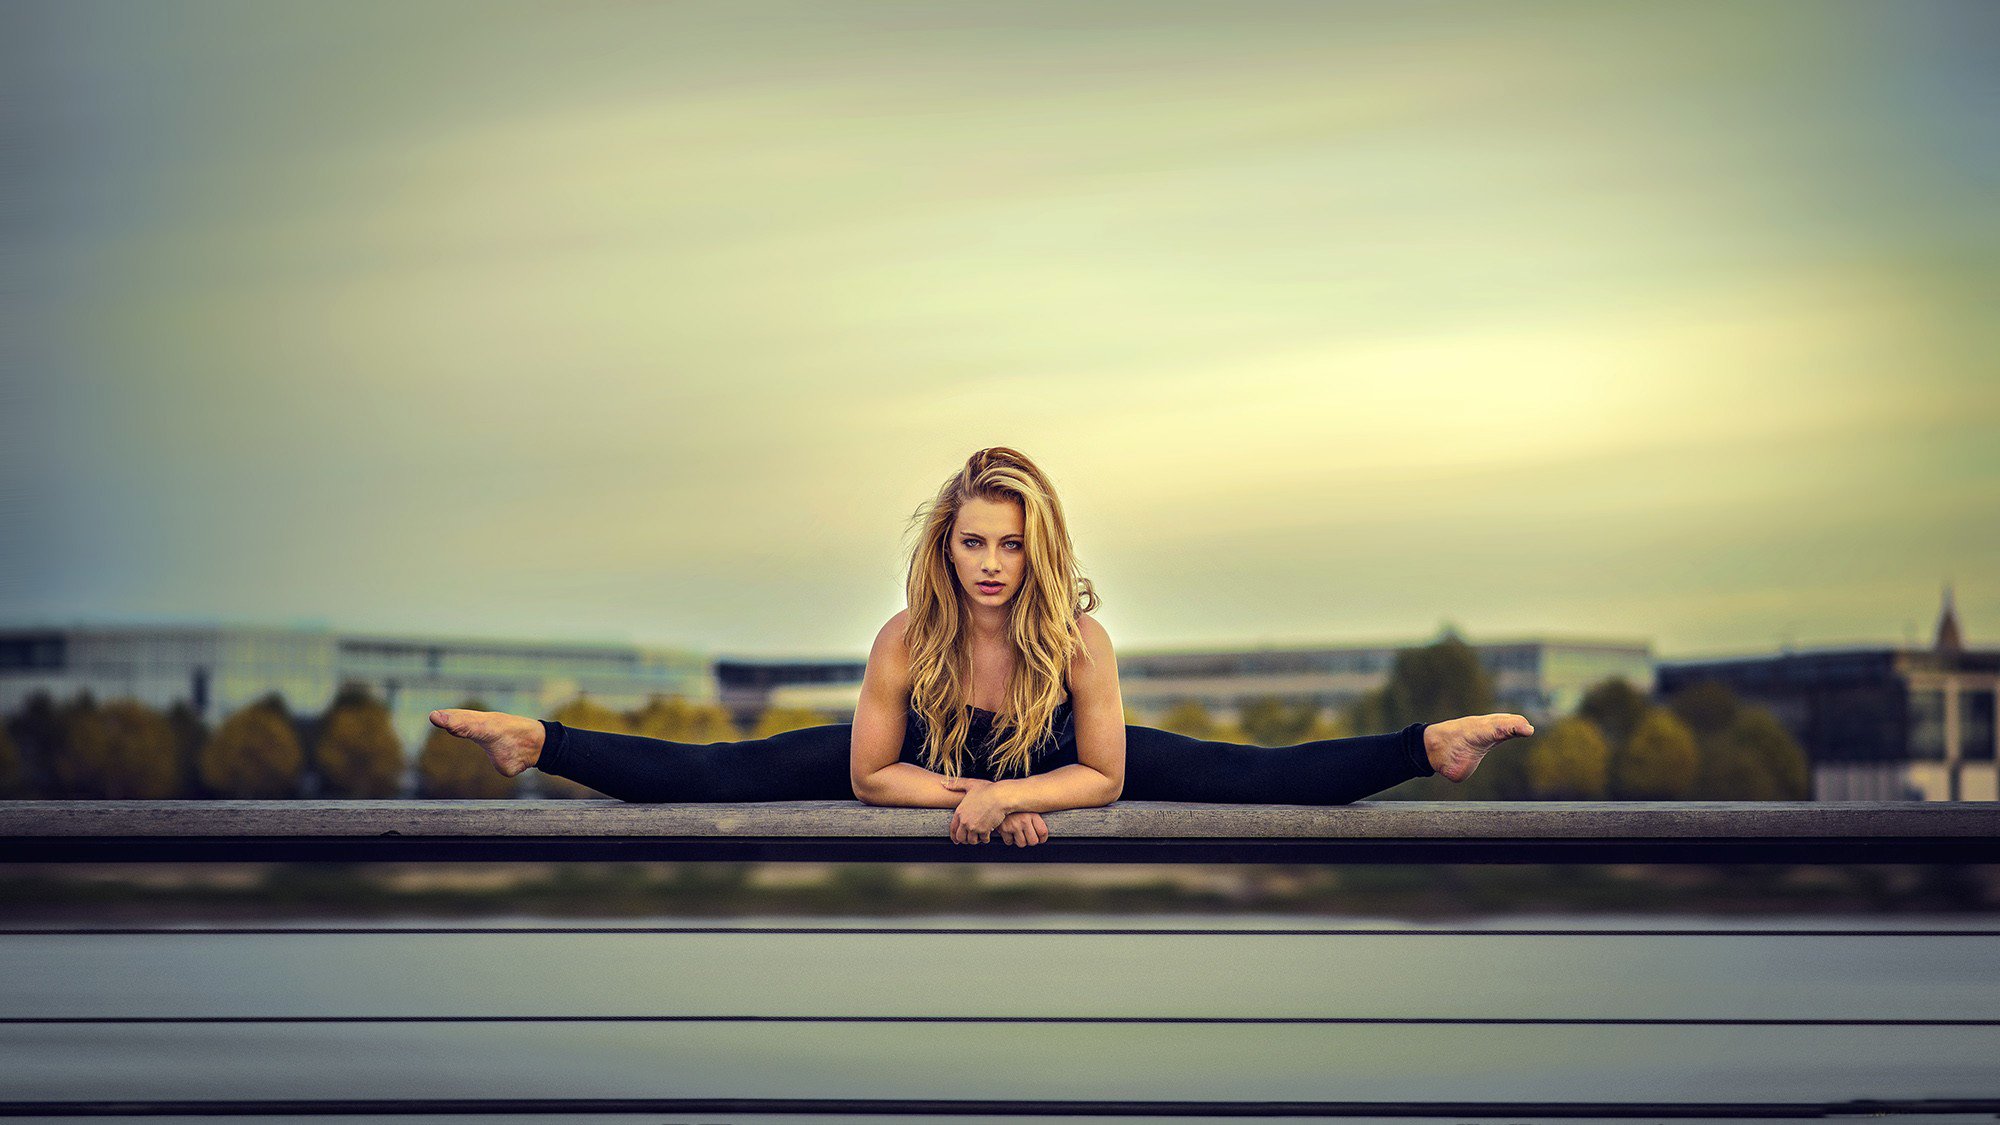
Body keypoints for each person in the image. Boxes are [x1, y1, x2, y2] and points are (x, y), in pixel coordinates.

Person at [430, 446, 1533, 848]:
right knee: (723, 770)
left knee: (1247, 777)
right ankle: (538, 741)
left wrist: (1013, 799)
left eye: (1009, 543)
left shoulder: (1081, 643)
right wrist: (968, 794)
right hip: (919, 766)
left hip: (1050, 767)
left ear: (1035, 547)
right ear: (945, 546)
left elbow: (1101, 775)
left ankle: (1425, 746)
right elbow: (866, 774)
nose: (991, 562)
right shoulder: (907, 638)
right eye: (972, 541)